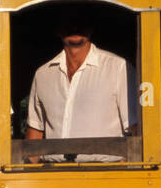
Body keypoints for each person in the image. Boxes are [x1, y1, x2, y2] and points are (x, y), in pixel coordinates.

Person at [25, 12, 137, 157]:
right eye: (68, 22)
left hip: (106, 174)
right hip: (54, 175)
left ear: (91, 28)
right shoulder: (43, 74)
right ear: (57, 30)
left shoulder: (119, 68)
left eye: (81, 22)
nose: (75, 27)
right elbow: (35, 131)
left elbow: (136, 129)